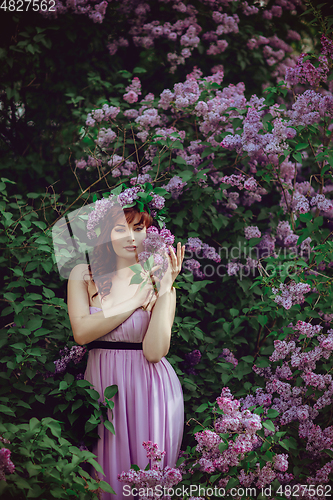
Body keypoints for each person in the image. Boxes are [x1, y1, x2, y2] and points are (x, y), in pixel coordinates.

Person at [67, 190, 185, 499]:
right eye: (121, 228)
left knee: (148, 480)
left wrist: (165, 291)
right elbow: (81, 332)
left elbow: (155, 351)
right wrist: (135, 300)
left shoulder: (159, 278)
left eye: (138, 227)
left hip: (151, 389)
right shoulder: (85, 275)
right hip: (104, 387)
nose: (131, 236)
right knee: (106, 480)